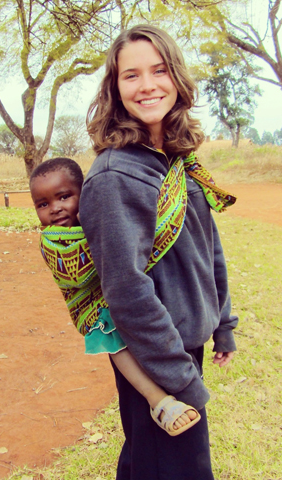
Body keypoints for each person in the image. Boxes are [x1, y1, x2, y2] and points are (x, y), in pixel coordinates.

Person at [80, 24, 239, 479]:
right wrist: (177, 379)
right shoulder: (116, 176)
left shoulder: (175, 161)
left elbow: (208, 249)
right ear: (115, 88)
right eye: (131, 75)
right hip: (157, 363)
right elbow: (126, 290)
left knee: (147, 467)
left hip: (183, 348)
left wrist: (223, 322)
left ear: (177, 78)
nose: (147, 85)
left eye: (159, 70)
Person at [30, 156, 201, 436]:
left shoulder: (96, 217)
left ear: (85, 193)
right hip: (92, 310)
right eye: (43, 204)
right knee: (116, 343)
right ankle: (158, 401)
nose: (56, 208)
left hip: (117, 299)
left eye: (64, 197)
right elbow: (79, 273)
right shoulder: (52, 239)